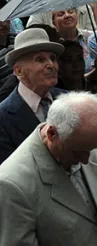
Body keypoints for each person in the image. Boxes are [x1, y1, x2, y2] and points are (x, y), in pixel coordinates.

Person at [0, 92, 97, 246]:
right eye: (77, 151)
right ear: (52, 133)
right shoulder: (12, 185)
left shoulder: (91, 138)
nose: (86, 159)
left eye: (92, 149)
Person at [0, 28, 66, 163]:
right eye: (40, 60)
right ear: (19, 71)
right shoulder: (3, 117)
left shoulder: (68, 99)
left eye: (53, 58)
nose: (51, 65)